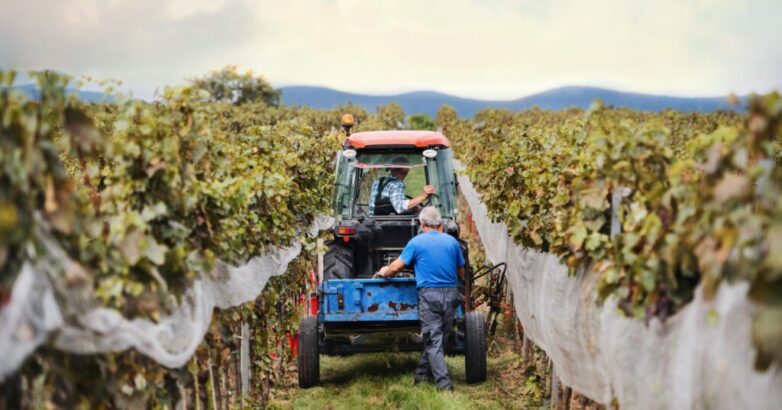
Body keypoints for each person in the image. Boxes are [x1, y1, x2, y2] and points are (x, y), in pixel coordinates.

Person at [375, 206, 465, 391]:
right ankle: (421, 377)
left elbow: (396, 267)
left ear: (422, 224)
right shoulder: (452, 242)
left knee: (433, 340)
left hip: (430, 295)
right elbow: (461, 272)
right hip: (451, 294)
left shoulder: (416, 242)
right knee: (438, 338)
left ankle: (444, 386)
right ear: (440, 224)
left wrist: (385, 271)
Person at [368, 156, 436, 216]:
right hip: (390, 223)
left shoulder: (377, 182)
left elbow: (388, 203)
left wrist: (415, 208)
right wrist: (424, 195)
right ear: (404, 169)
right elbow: (400, 207)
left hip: (371, 220)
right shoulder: (396, 184)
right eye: (408, 167)